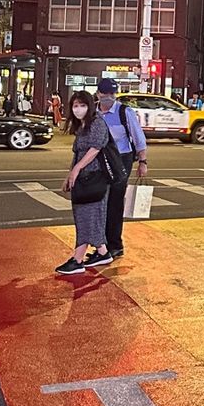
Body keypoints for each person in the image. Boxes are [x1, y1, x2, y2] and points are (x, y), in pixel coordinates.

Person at [55, 90, 118, 277]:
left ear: (90, 106)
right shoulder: (82, 126)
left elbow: (95, 148)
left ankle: (77, 260)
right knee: (90, 217)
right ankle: (103, 253)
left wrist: (77, 169)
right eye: (75, 106)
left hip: (95, 178)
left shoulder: (97, 123)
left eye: (82, 105)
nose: (78, 109)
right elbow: (78, 153)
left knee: (87, 217)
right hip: (83, 178)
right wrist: (70, 174)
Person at [93, 78, 148, 261]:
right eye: (105, 93)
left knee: (114, 203)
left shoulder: (125, 112)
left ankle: (114, 245)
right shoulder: (94, 113)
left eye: (112, 94)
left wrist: (143, 162)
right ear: (99, 93)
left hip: (121, 160)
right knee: (100, 203)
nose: (108, 97)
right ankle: (101, 245)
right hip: (99, 161)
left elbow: (138, 138)